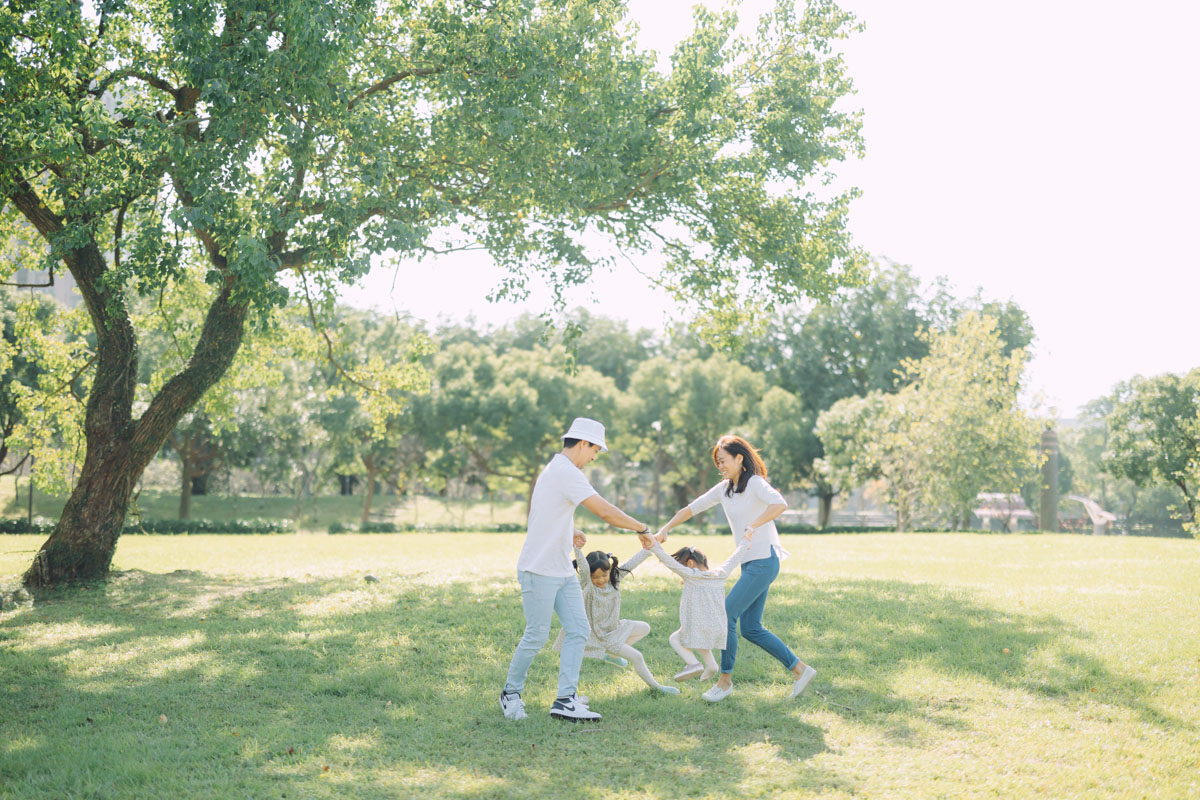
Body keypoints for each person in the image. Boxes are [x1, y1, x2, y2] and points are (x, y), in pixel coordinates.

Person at [500, 417, 654, 722]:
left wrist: (570, 529)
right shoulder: (565, 471)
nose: (595, 457)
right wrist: (642, 527)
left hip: (561, 570)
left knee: (579, 630)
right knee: (536, 636)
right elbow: (605, 511)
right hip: (538, 569)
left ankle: (565, 700)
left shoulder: (556, 470)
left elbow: (547, 511)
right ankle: (511, 694)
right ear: (583, 443)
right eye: (595, 450)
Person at [655, 434, 816, 703]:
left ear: (739, 458)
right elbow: (691, 508)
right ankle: (800, 669)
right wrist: (665, 529)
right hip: (750, 562)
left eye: (724, 461)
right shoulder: (725, 489)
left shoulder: (755, 483)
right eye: (717, 462)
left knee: (726, 614)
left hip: (764, 560)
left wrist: (754, 524)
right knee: (751, 628)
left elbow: (780, 503)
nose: (720, 466)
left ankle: (725, 681)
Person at [553, 541, 680, 695]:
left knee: (644, 628)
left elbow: (631, 564)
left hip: (614, 628)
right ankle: (656, 687)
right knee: (637, 656)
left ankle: (612, 656)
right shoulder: (588, 585)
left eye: (604, 575)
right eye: (595, 577)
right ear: (589, 576)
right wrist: (577, 548)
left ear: (610, 571)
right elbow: (584, 568)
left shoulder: (615, 580)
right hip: (601, 636)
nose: (601, 580)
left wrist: (647, 550)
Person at [641, 529, 754, 684]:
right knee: (699, 640)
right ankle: (711, 666)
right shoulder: (721, 574)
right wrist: (745, 542)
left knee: (675, 638)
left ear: (690, 564)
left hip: (697, 625)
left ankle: (693, 664)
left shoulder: (691, 575)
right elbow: (734, 559)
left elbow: (667, 560)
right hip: (717, 627)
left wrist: (654, 545)